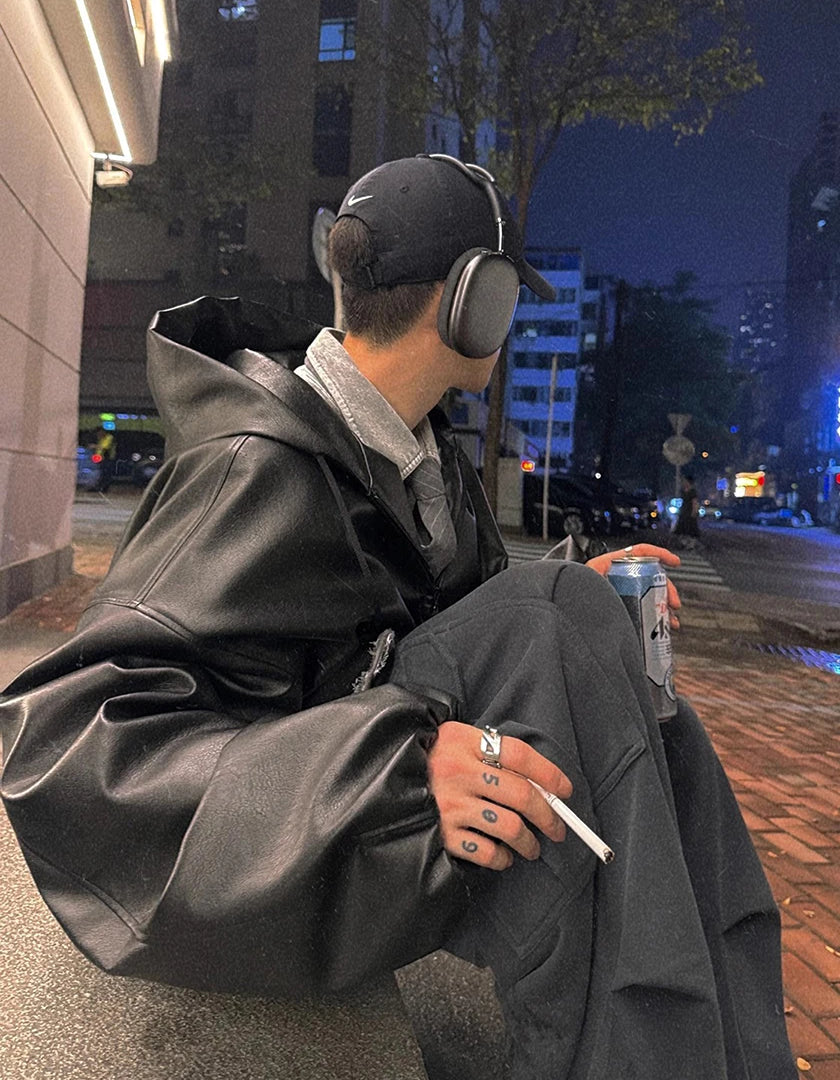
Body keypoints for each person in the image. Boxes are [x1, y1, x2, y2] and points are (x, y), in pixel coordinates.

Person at [0, 155, 794, 1079]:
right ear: (474, 299)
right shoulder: (256, 468)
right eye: (507, 293)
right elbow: (71, 744)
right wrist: (398, 778)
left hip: (374, 789)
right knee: (553, 621)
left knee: (591, 632)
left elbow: (439, 630)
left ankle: (729, 1051)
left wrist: (579, 587)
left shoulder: (424, 459)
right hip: (328, 824)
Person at [672, 471, 701, 548]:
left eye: (685, 481)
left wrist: (694, 512)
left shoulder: (692, 492)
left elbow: (694, 502)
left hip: (689, 512)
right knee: (682, 529)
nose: (684, 482)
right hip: (684, 511)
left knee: (690, 529)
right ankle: (685, 543)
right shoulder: (683, 491)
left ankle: (690, 544)